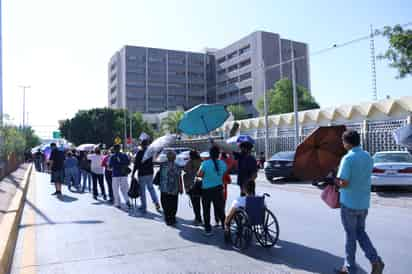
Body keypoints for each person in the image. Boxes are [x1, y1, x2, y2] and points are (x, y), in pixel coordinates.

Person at [334, 130, 384, 274]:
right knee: (360, 233)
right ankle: (375, 261)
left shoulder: (348, 158)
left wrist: (335, 181)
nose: (343, 144)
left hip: (349, 203)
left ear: (347, 143)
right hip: (363, 203)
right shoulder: (368, 156)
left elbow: (344, 182)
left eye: (343, 142)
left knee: (351, 236)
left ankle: (349, 268)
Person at [197, 146, 227, 236]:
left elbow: (199, 175)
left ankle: (208, 230)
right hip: (218, 189)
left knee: (206, 210)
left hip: (207, 190)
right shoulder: (222, 163)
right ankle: (225, 226)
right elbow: (224, 173)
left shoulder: (205, 163)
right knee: (220, 209)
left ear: (210, 154)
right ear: (218, 154)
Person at [132, 139, 160, 214]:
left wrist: (133, 173)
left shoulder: (140, 153)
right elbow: (153, 161)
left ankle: (144, 207)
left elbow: (136, 164)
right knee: (151, 188)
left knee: (142, 191)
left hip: (142, 174)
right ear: (147, 145)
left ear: (141, 145)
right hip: (150, 173)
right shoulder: (150, 152)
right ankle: (156, 202)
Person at [159, 151, 183, 226]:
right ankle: (172, 218)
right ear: (175, 158)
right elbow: (179, 178)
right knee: (173, 203)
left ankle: (167, 218)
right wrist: (180, 187)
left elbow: (160, 175)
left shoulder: (162, 165)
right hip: (174, 188)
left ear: (167, 157)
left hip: (164, 187)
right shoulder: (177, 166)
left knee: (165, 203)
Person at [214, 152, 235, 227]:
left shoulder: (214, 166)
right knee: (222, 207)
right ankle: (223, 223)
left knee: (216, 206)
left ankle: (217, 221)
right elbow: (229, 181)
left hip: (215, 190)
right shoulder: (225, 166)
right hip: (223, 192)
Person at [183, 150, 203, 225]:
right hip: (202, 185)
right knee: (204, 204)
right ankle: (203, 219)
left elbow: (185, 171)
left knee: (196, 204)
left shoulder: (189, 162)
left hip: (192, 186)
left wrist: (186, 187)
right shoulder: (201, 161)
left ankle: (198, 219)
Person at [109, 144, 131, 209]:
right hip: (124, 174)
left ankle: (117, 203)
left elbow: (110, 166)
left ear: (114, 149)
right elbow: (128, 163)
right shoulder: (124, 155)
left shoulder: (112, 156)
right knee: (124, 189)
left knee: (115, 190)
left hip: (115, 175)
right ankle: (127, 200)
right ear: (120, 148)